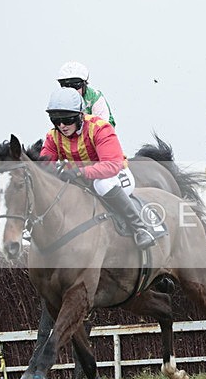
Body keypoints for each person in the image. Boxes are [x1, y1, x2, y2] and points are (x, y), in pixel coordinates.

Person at [40, 87, 154, 248]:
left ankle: (140, 228)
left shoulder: (100, 128)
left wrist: (81, 172)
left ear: (80, 115)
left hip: (115, 175)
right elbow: (44, 165)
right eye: (56, 121)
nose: (62, 125)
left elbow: (111, 165)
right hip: (81, 178)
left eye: (67, 119)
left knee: (102, 185)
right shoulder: (53, 136)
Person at [57, 61, 116, 127]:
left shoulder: (95, 97)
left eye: (75, 85)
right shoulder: (60, 100)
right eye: (66, 86)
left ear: (84, 84)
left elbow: (103, 126)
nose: (72, 91)